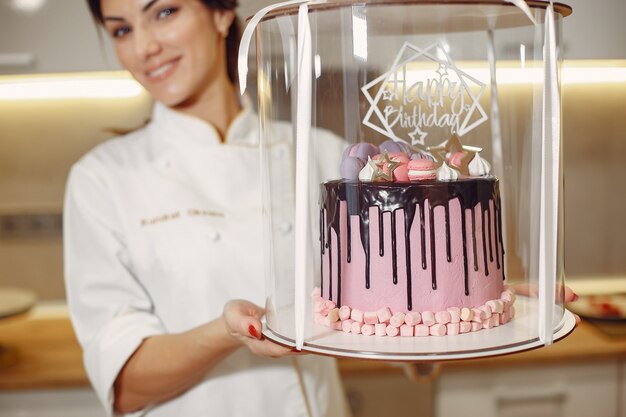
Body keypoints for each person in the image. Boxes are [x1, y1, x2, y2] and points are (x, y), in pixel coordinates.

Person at [63, 0, 350, 416]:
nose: (144, 47)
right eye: (122, 31)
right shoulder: (102, 179)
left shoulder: (321, 154)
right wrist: (226, 333)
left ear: (220, 13)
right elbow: (124, 384)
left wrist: (422, 349)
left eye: (163, 13)